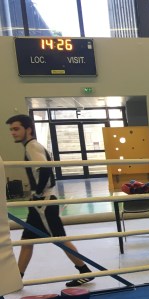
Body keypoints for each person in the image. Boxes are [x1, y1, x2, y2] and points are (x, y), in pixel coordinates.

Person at [5, 114, 94, 287]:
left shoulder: (32, 146)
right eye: (11, 130)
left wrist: (38, 193)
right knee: (27, 241)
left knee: (59, 238)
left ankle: (85, 271)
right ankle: (17, 278)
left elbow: (45, 170)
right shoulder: (32, 146)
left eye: (16, 129)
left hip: (43, 204)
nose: (13, 133)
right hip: (39, 204)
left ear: (28, 129)